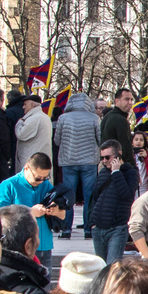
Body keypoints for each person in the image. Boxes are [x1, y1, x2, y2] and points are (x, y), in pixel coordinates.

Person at [0, 153, 64, 269]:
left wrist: (56, 210)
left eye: (45, 177)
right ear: (27, 168)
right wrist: (30, 212)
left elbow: (63, 215)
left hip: (44, 245)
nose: (41, 181)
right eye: (38, 178)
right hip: (19, 247)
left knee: (45, 284)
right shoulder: (8, 186)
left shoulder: (46, 185)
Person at [52, 93, 101, 239]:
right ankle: (89, 230)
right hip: (89, 162)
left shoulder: (63, 118)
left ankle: (66, 230)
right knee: (89, 197)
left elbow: (57, 140)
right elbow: (100, 139)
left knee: (68, 197)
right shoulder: (95, 118)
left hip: (68, 161)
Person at [89, 141, 138, 262]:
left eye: (107, 157)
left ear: (118, 155)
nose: (104, 161)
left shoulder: (131, 173)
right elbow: (95, 197)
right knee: (100, 268)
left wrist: (116, 172)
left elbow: (127, 195)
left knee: (112, 267)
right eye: (102, 158)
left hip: (117, 228)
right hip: (98, 227)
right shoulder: (103, 172)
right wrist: (92, 222)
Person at [13, 94, 51, 171]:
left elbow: (21, 134)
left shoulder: (34, 118)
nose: (23, 107)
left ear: (32, 105)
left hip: (33, 162)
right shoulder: (44, 117)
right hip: (40, 160)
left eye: (25, 104)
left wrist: (19, 123)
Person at [101, 88, 135, 164]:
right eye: (126, 99)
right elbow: (126, 146)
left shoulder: (108, 116)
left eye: (131, 100)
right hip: (118, 164)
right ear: (117, 101)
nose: (130, 102)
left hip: (106, 162)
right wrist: (132, 166)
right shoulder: (120, 119)